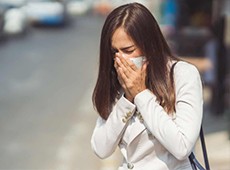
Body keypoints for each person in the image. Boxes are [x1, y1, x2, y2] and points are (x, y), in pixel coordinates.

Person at [91, 2, 203, 170]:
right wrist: (127, 100)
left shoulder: (182, 75)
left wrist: (141, 94)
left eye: (128, 51)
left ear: (149, 45)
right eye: (115, 51)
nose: (120, 59)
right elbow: (101, 148)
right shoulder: (117, 80)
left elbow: (182, 147)